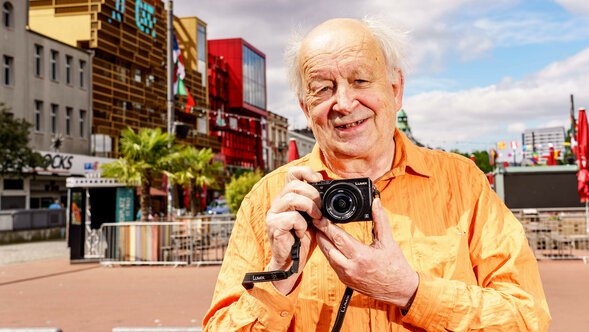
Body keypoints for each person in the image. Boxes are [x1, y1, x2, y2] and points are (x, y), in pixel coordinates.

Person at [204, 17, 550, 331]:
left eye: (360, 80)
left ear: (396, 89)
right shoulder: (268, 201)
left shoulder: (463, 183)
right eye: (323, 88)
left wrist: (410, 290)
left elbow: (526, 317)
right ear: (305, 109)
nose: (344, 103)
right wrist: (280, 274)